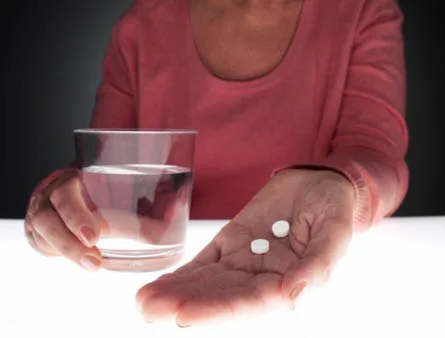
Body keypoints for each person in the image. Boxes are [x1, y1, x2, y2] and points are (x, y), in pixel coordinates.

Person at [24, 0, 408, 328]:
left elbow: (375, 153)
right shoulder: (144, 23)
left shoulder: (361, 10)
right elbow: (103, 171)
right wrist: (60, 202)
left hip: (322, 296)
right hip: (161, 280)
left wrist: (339, 184)